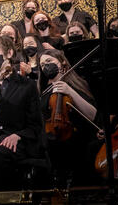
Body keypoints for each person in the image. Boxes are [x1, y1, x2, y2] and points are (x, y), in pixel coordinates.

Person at [0, 35, 44, 190]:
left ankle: (9, 198)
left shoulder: (27, 85)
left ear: (9, 53)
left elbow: (35, 124)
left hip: (17, 140)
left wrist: (17, 135)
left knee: (2, 152)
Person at [38, 49, 97, 184]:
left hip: (76, 137)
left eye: (49, 61)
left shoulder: (76, 84)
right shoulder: (42, 90)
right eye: (42, 65)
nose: (45, 66)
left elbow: (92, 114)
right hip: (50, 138)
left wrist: (69, 90)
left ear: (62, 62)